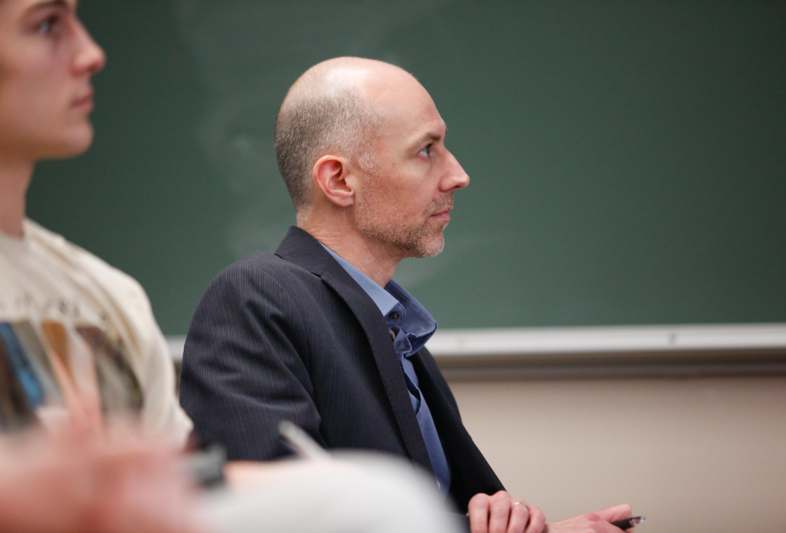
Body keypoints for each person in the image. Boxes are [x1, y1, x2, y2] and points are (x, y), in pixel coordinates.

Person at [0, 2, 460, 532]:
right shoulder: (258, 297)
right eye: (46, 24)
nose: (92, 54)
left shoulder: (107, 298)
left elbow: (182, 486)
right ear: (336, 180)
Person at [180, 56, 635, 533]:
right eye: (426, 150)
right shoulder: (258, 298)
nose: (458, 174)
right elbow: (280, 521)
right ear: (338, 180)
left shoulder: (393, 329)